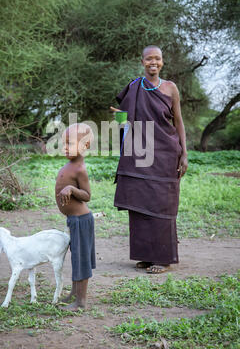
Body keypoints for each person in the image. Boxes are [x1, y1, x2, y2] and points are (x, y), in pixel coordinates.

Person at [111, 45, 188, 274]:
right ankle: (145, 255)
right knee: (140, 204)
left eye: (157, 59)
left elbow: (179, 122)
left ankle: (163, 259)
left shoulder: (170, 88)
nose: (153, 62)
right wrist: (119, 118)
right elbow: (124, 121)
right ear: (142, 61)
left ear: (162, 62)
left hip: (166, 154)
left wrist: (184, 153)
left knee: (162, 204)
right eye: (149, 59)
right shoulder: (134, 87)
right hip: (139, 155)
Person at [55, 123, 96, 310]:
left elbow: (87, 195)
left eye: (69, 143)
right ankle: (74, 294)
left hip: (81, 221)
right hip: (73, 220)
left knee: (82, 260)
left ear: (85, 145)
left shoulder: (80, 169)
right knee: (76, 258)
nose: (64, 147)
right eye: (63, 143)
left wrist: (71, 188)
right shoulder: (70, 164)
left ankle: (81, 302)